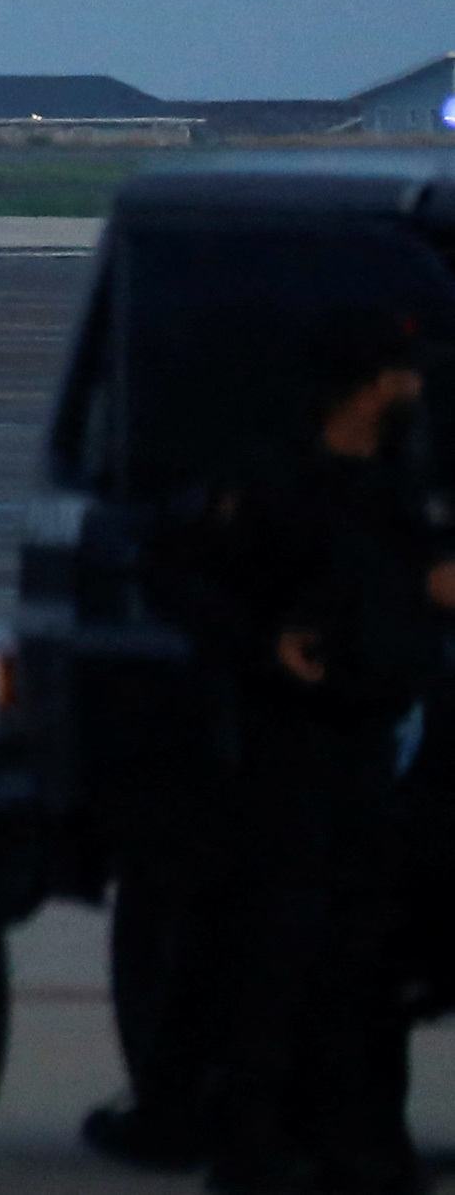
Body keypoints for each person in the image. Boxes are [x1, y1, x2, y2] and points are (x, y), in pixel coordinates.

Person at [186, 304, 454, 1195]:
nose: (415, 386)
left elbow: (424, 582)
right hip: (290, 750)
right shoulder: (271, 482)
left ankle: (359, 1144)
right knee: (277, 953)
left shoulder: (399, 487)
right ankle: (258, 1146)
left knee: (362, 956)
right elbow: (190, 582)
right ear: (369, 385)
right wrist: (266, 646)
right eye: (401, 373)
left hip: (377, 746)